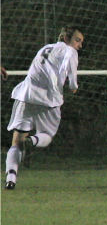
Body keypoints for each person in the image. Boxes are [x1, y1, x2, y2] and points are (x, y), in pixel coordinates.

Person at [4, 26, 84, 190]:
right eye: (77, 40)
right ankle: (31, 141)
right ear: (66, 39)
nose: (79, 45)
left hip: (26, 95)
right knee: (46, 135)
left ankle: (10, 179)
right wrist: (73, 85)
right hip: (48, 99)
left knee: (16, 141)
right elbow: (69, 67)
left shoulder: (45, 48)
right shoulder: (70, 51)